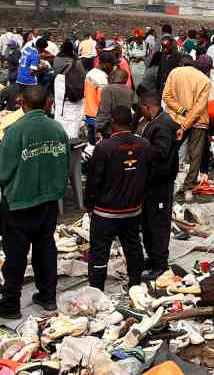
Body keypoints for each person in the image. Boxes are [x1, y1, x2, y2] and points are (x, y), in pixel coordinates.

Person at [0, 85, 69, 318]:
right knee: (45, 248)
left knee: (16, 254)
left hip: (20, 203)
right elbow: (66, 162)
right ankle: (48, 296)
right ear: (46, 103)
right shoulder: (57, 128)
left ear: (22, 104)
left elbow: (3, 172)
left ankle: (11, 305)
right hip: (49, 201)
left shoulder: (15, 131)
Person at [85, 106, 149, 291]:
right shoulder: (144, 144)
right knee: (133, 247)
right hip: (132, 210)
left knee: (99, 253)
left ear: (112, 122)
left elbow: (94, 181)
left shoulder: (104, 147)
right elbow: (148, 174)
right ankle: (135, 285)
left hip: (106, 212)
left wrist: (90, 205)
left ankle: (97, 291)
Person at [137, 91, 180, 280]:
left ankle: (161, 264)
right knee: (147, 222)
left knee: (158, 224)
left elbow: (161, 152)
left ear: (147, 106)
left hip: (160, 183)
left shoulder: (161, 124)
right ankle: (153, 258)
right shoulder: (159, 122)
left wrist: (140, 147)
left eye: (141, 107)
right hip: (152, 182)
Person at [163, 55, 211, 202]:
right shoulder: (205, 80)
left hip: (176, 119)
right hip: (197, 122)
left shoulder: (175, 72)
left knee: (171, 150)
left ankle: (167, 182)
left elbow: (166, 97)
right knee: (195, 155)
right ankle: (188, 188)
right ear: (207, 69)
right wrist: (186, 124)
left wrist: (182, 112)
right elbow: (199, 108)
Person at [84, 52, 115, 145]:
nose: (113, 67)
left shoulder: (95, 74)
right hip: (97, 117)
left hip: (95, 116)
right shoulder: (97, 77)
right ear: (105, 64)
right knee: (98, 145)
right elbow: (96, 100)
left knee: (97, 143)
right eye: (112, 64)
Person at [96, 69, 135, 139]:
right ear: (125, 80)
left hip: (110, 130)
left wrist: (98, 128)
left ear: (113, 77)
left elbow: (104, 111)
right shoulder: (130, 91)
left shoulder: (107, 89)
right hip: (126, 129)